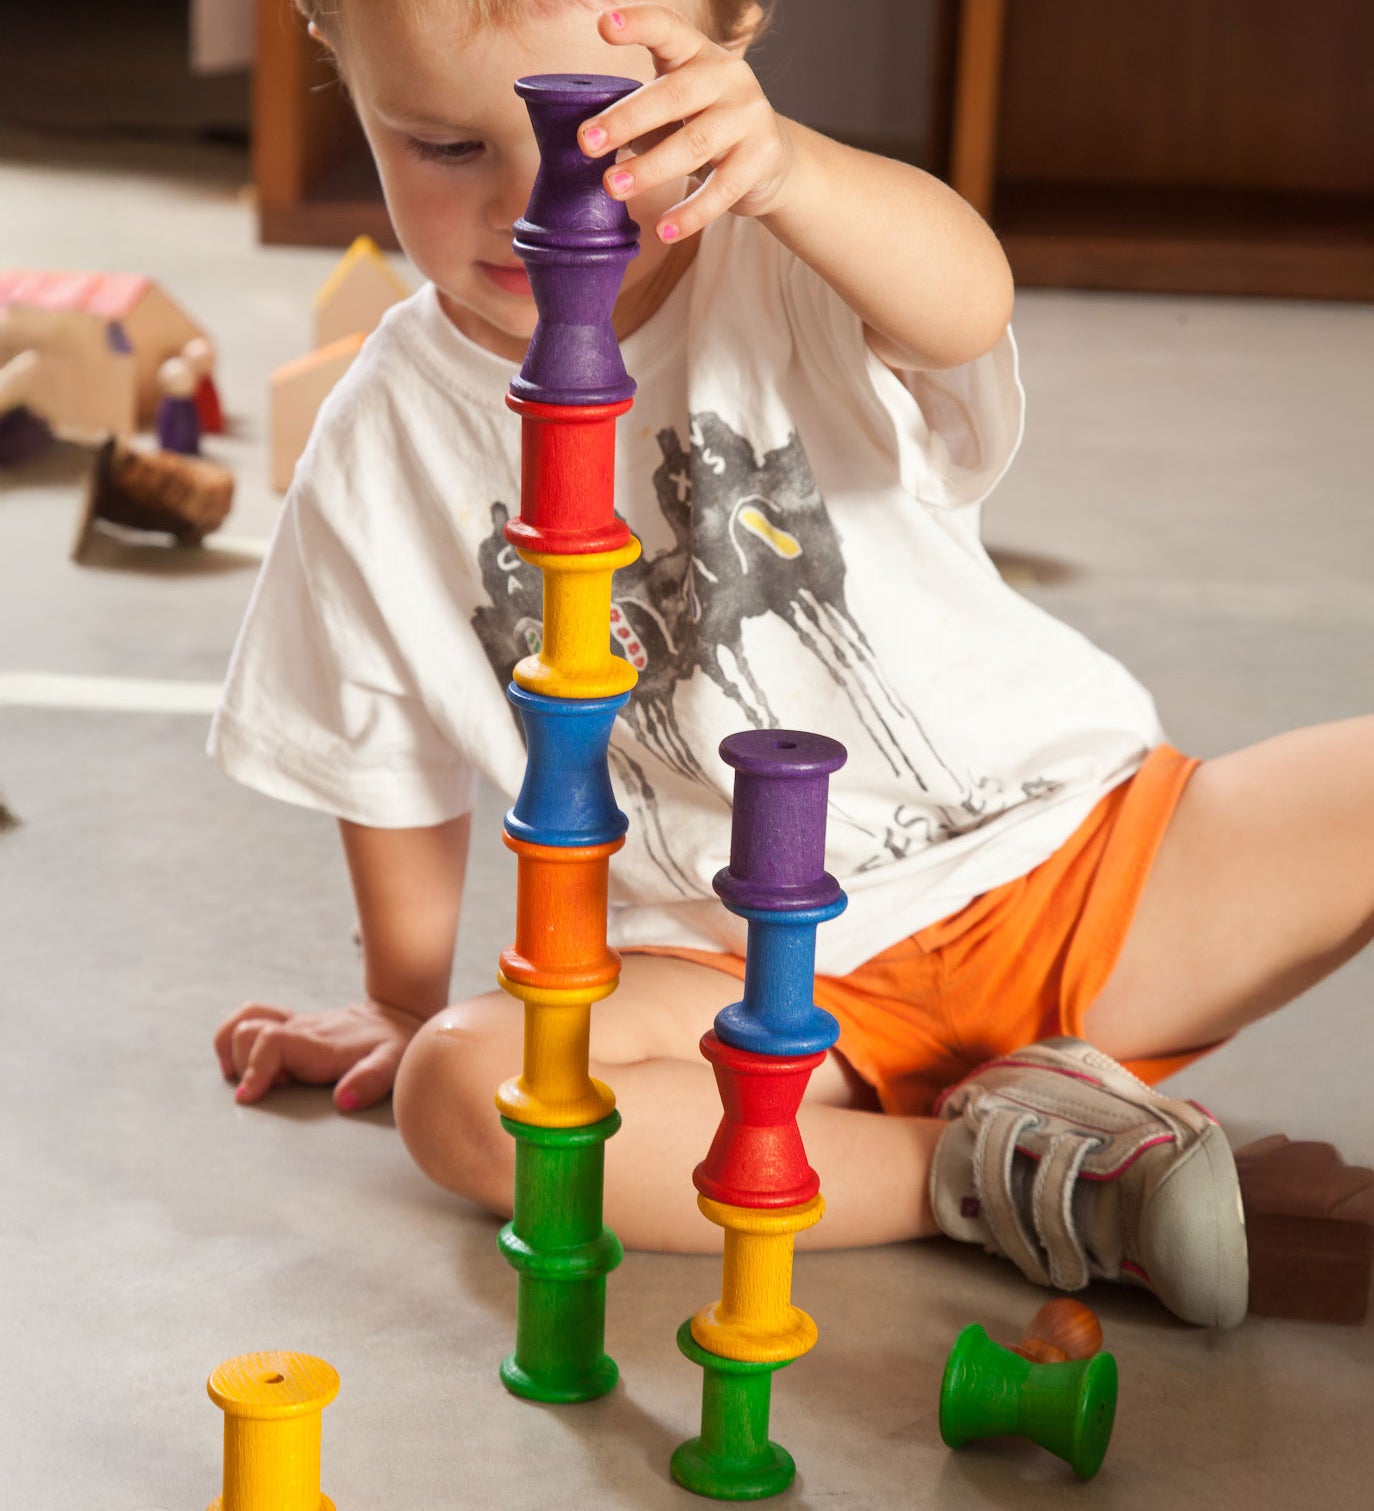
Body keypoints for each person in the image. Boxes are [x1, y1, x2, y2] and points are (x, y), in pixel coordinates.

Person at [209, 0, 1373, 1328]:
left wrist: (798, 174)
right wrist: (399, 1001)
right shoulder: (378, 439)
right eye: (443, 147)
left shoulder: (791, 261)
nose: (537, 202)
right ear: (342, 74)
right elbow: (382, 745)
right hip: (739, 987)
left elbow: (961, 302)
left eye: (604, 133)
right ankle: (1006, 1172)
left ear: (729, 43)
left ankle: (1050, 1137)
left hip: (1079, 867)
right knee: (472, 1101)